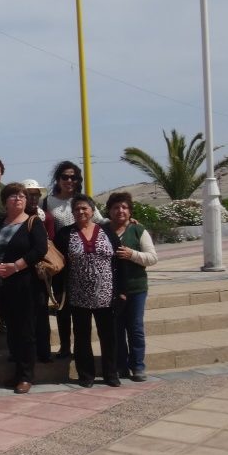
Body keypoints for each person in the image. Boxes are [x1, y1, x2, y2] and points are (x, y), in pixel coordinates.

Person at [55, 193, 126, 388]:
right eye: (77, 209)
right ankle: (86, 375)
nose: (81, 212)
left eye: (84, 208)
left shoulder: (107, 231)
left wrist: (121, 289)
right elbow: (58, 265)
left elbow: (119, 260)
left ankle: (111, 373)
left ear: (93, 211)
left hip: (106, 293)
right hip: (78, 295)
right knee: (81, 336)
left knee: (108, 336)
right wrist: (59, 291)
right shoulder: (65, 234)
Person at [0, 182, 48, 394]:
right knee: (11, 330)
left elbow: (40, 249)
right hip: (2, 285)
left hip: (26, 284)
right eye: (13, 196)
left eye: (21, 196)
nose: (18, 199)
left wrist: (16, 266)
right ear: (5, 202)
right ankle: (16, 372)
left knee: (26, 332)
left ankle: (26, 376)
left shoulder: (33, 222)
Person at [44, 161, 102, 359]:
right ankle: (65, 346)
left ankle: (81, 348)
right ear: (58, 179)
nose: (69, 180)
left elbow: (101, 222)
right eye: (65, 177)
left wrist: (127, 223)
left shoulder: (84, 201)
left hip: (84, 262)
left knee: (80, 308)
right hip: (60, 261)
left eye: (74, 177)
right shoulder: (48, 202)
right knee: (62, 305)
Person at [106, 192, 157, 383]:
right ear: (109, 211)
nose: (120, 211)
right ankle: (120, 366)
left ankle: (138, 366)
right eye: (116, 207)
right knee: (116, 329)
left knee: (135, 327)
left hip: (136, 288)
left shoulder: (138, 230)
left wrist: (132, 254)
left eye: (124, 207)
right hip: (111, 290)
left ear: (130, 211)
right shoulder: (103, 230)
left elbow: (152, 258)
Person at [21, 179, 55, 364]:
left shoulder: (46, 217)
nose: (33, 198)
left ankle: (44, 351)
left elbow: (50, 243)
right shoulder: (13, 216)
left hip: (40, 272)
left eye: (36, 195)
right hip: (20, 272)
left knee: (41, 313)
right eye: (29, 195)